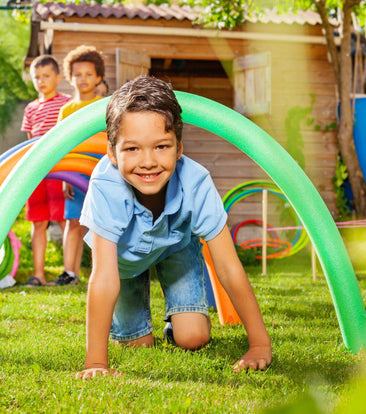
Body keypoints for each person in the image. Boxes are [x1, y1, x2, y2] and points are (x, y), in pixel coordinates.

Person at [76, 76, 272, 379]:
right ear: (112, 153)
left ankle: (179, 322)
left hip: (175, 248)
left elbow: (229, 268)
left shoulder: (196, 182)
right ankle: (135, 328)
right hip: (123, 264)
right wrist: (96, 363)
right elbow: (103, 278)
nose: (148, 162)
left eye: (161, 146)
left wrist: (259, 344)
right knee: (138, 344)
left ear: (179, 148)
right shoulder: (106, 186)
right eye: (132, 149)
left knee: (193, 338)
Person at [48, 45, 105, 286]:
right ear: (70, 78)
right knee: (73, 223)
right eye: (78, 74)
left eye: (88, 74)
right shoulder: (67, 109)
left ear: (99, 77)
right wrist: (64, 178)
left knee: (100, 225)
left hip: (100, 174)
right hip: (75, 174)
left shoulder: (104, 105)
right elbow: (61, 145)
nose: (83, 79)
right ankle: (69, 273)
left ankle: (103, 272)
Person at [21, 55, 71, 286]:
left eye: (46, 76)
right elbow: (30, 141)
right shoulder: (31, 108)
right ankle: (39, 274)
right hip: (37, 171)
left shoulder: (67, 103)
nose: (41, 81)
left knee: (64, 219)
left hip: (60, 169)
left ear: (58, 78)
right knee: (38, 222)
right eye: (36, 77)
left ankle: (68, 273)